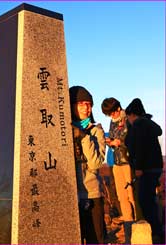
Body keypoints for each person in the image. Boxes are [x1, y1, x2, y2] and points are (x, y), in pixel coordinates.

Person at [125, 98, 164, 244]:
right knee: (150, 200)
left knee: (144, 200)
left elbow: (139, 148)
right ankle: (157, 230)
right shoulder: (149, 125)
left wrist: (138, 167)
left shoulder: (139, 125)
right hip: (156, 166)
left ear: (132, 114)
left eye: (128, 117)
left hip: (146, 168)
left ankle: (154, 231)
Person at [70, 86, 106, 244]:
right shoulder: (65, 132)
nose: (86, 108)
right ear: (71, 106)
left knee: (95, 239)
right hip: (70, 196)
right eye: (81, 104)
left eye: (89, 104)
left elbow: (96, 163)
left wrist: (84, 138)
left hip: (91, 195)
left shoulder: (96, 130)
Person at [101, 97, 136, 244]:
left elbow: (133, 140)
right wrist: (109, 141)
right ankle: (128, 236)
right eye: (108, 115)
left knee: (131, 196)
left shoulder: (128, 118)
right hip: (116, 163)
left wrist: (120, 142)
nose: (111, 116)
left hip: (128, 162)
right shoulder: (112, 121)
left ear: (118, 108)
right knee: (122, 198)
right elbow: (114, 138)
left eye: (112, 113)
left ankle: (137, 227)